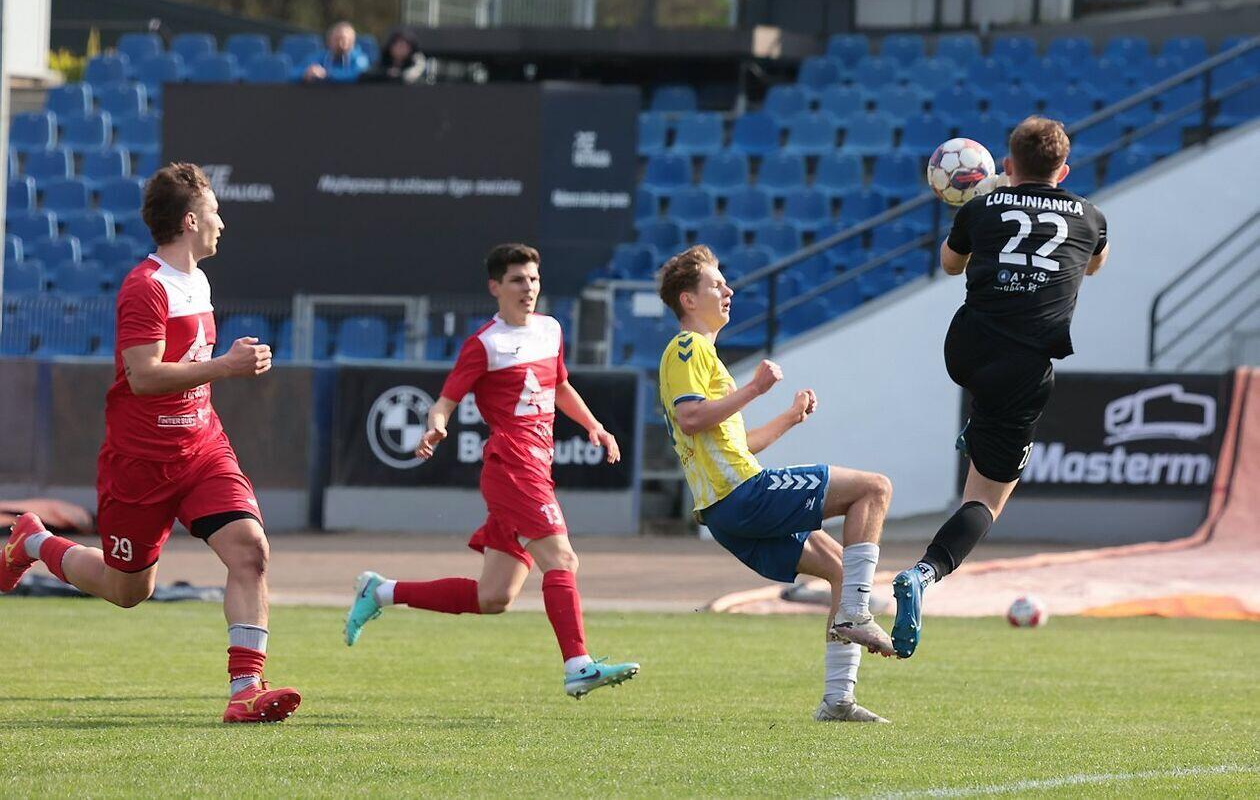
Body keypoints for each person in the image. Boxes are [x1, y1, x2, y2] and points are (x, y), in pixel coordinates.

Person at [0, 163, 301, 723]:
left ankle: (245, 689)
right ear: (190, 220)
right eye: (214, 212)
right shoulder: (146, 287)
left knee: (251, 551)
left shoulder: (198, 281)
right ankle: (34, 542)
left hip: (203, 448)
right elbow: (142, 377)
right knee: (127, 590)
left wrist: (222, 370)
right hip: (140, 463)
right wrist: (226, 366)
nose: (222, 223)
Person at [344, 244, 639, 699]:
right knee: (562, 560)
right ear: (495, 287)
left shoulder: (551, 329)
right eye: (518, 280)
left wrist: (594, 426)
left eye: (534, 279)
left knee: (494, 597)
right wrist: (436, 426)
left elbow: (560, 385)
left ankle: (381, 592)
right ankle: (578, 665)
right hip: (513, 466)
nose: (528, 288)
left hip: (536, 465)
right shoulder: (485, 344)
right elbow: (444, 402)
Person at [891, 116, 1110, 658]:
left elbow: (949, 265)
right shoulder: (1090, 217)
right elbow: (1094, 266)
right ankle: (924, 573)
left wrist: (985, 203)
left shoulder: (982, 207)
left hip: (965, 349)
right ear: (1064, 170)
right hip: (1022, 368)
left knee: (986, 409)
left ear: (1008, 164)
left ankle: (976, 429)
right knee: (986, 500)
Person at [657, 245, 896, 723]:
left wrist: (789, 417)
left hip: (728, 509)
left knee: (841, 570)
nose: (728, 290)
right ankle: (855, 615)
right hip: (742, 495)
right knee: (874, 489)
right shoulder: (688, 348)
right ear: (688, 300)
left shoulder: (705, 356)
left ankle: (838, 700)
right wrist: (755, 388)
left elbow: (738, 444)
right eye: (716, 284)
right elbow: (691, 418)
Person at [301, 21, 369, 83]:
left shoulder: (360, 59)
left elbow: (356, 75)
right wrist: (306, 73)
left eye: (343, 39)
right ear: (329, 40)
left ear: (352, 42)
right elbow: (296, 71)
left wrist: (325, 74)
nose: (339, 43)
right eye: (336, 39)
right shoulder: (320, 56)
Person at [361, 29, 425, 84]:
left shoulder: (415, 64)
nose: (401, 49)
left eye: (405, 47)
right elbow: (366, 75)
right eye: (398, 45)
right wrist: (386, 74)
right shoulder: (381, 61)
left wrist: (401, 75)